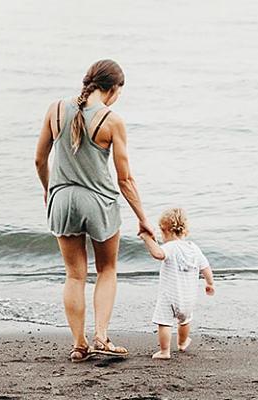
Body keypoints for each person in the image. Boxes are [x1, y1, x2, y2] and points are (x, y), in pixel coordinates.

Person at [35, 59, 157, 362]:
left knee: (74, 276)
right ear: (112, 89)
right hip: (99, 201)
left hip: (62, 199)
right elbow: (125, 178)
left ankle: (79, 344)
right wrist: (143, 219)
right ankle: (101, 335)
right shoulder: (112, 120)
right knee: (107, 270)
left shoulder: (55, 109)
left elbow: (39, 160)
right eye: (118, 92)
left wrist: (50, 192)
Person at [137, 208, 216, 360]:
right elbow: (205, 267)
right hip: (188, 297)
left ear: (165, 230)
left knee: (164, 322)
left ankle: (165, 351)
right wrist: (210, 283)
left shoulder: (170, 247)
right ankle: (182, 342)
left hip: (170, 296)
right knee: (185, 320)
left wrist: (147, 238)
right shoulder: (194, 248)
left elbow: (158, 254)